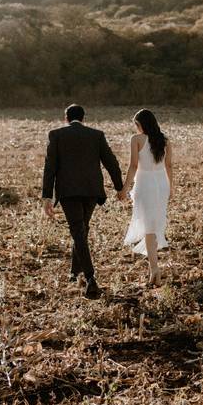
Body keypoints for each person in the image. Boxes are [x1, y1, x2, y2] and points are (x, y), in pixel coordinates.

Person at [42, 104, 123, 299]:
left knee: (79, 231)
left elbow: (50, 168)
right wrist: (119, 187)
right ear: (83, 118)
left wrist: (47, 196)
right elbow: (111, 162)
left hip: (69, 191)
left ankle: (90, 278)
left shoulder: (56, 135)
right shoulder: (96, 135)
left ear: (66, 118)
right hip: (91, 191)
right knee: (81, 230)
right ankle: (74, 273)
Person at [117, 108, 173, 287]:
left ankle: (154, 269)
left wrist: (124, 189)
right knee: (155, 224)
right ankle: (153, 266)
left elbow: (133, 166)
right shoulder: (164, 140)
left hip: (146, 183)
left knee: (149, 227)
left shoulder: (136, 140)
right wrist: (171, 188)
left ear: (141, 125)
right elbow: (169, 166)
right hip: (161, 183)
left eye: (136, 125)